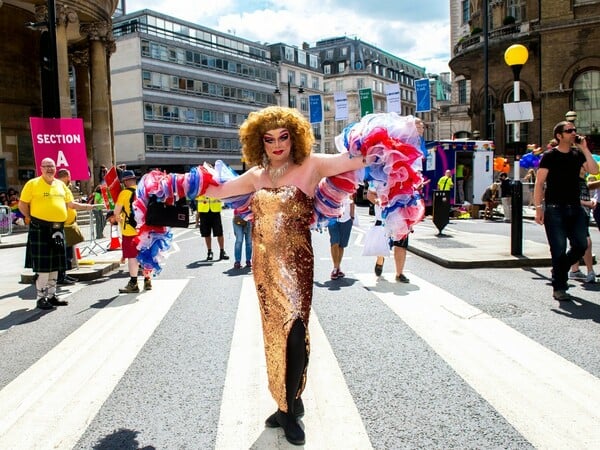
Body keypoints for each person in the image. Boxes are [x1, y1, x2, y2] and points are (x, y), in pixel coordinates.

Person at [197, 106, 368, 445]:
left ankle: (288, 410)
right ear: (259, 142)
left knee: (295, 332)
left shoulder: (311, 165)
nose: (277, 145)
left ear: (295, 137)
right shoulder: (256, 175)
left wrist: (396, 137)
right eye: (269, 139)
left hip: (296, 265)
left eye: (284, 137)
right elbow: (215, 192)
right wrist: (168, 186)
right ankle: (288, 403)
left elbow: (355, 160)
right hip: (264, 270)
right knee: (273, 336)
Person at [18, 158, 96, 309]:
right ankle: (41, 298)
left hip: (58, 229)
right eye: (46, 166)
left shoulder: (61, 185)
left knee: (55, 265)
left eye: (52, 166)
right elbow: (22, 204)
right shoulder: (32, 184)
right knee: (43, 267)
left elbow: (71, 204)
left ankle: (52, 296)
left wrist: (88, 207)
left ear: (55, 168)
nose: (49, 169)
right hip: (40, 229)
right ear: (41, 168)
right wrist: (30, 218)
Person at [533, 121, 599, 301]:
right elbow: (539, 183)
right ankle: (559, 287)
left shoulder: (577, 154)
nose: (573, 133)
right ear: (559, 136)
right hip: (554, 209)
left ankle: (559, 269)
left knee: (581, 244)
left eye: (574, 130)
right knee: (559, 248)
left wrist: (585, 149)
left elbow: (594, 170)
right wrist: (538, 208)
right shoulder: (549, 156)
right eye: (569, 131)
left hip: (575, 207)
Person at [114, 170, 152, 293]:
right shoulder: (144, 192)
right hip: (144, 230)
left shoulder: (124, 193)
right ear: (135, 180)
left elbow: (116, 212)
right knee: (146, 256)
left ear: (125, 182)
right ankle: (147, 280)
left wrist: (118, 217)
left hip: (129, 231)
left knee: (132, 257)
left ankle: (134, 283)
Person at [367, 184, 410, 283]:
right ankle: (380, 260)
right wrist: (377, 201)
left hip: (401, 217)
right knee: (382, 244)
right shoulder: (378, 176)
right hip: (383, 218)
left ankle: (399, 274)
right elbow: (370, 194)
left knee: (401, 245)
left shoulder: (405, 175)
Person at [568, 167, 597, 283]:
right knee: (586, 241)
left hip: (583, 213)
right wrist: (587, 203)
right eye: (583, 165)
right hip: (577, 213)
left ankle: (574, 270)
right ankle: (590, 271)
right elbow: (569, 198)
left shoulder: (582, 180)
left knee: (576, 242)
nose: (586, 168)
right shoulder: (572, 179)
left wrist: (592, 200)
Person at [55, 169, 80, 286]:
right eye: (69, 176)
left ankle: (64, 274)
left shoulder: (63, 187)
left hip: (67, 224)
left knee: (67, 252)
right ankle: (61, 276)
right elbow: (70, 205)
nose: (70, 179)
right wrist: (87, 207)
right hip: (62, 225)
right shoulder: (59, 187)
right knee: (63, 252)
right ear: (66, 176)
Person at [327, 193, 355, 279]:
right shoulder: (330, 185)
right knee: (334, 242)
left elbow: (352, 201)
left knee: (341, 245)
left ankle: (338, 267)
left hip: (346, 219)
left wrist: (352, 217)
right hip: (332, 218)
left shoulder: (349, 185)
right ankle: (335, 268)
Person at [195, 195, 229, 261]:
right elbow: (196, 195)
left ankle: (222, 252)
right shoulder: (200, 185)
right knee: (206, 234)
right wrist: (197, 217)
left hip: (215, 211)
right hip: (203, 211)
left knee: (219, 233)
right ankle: (209, 252)